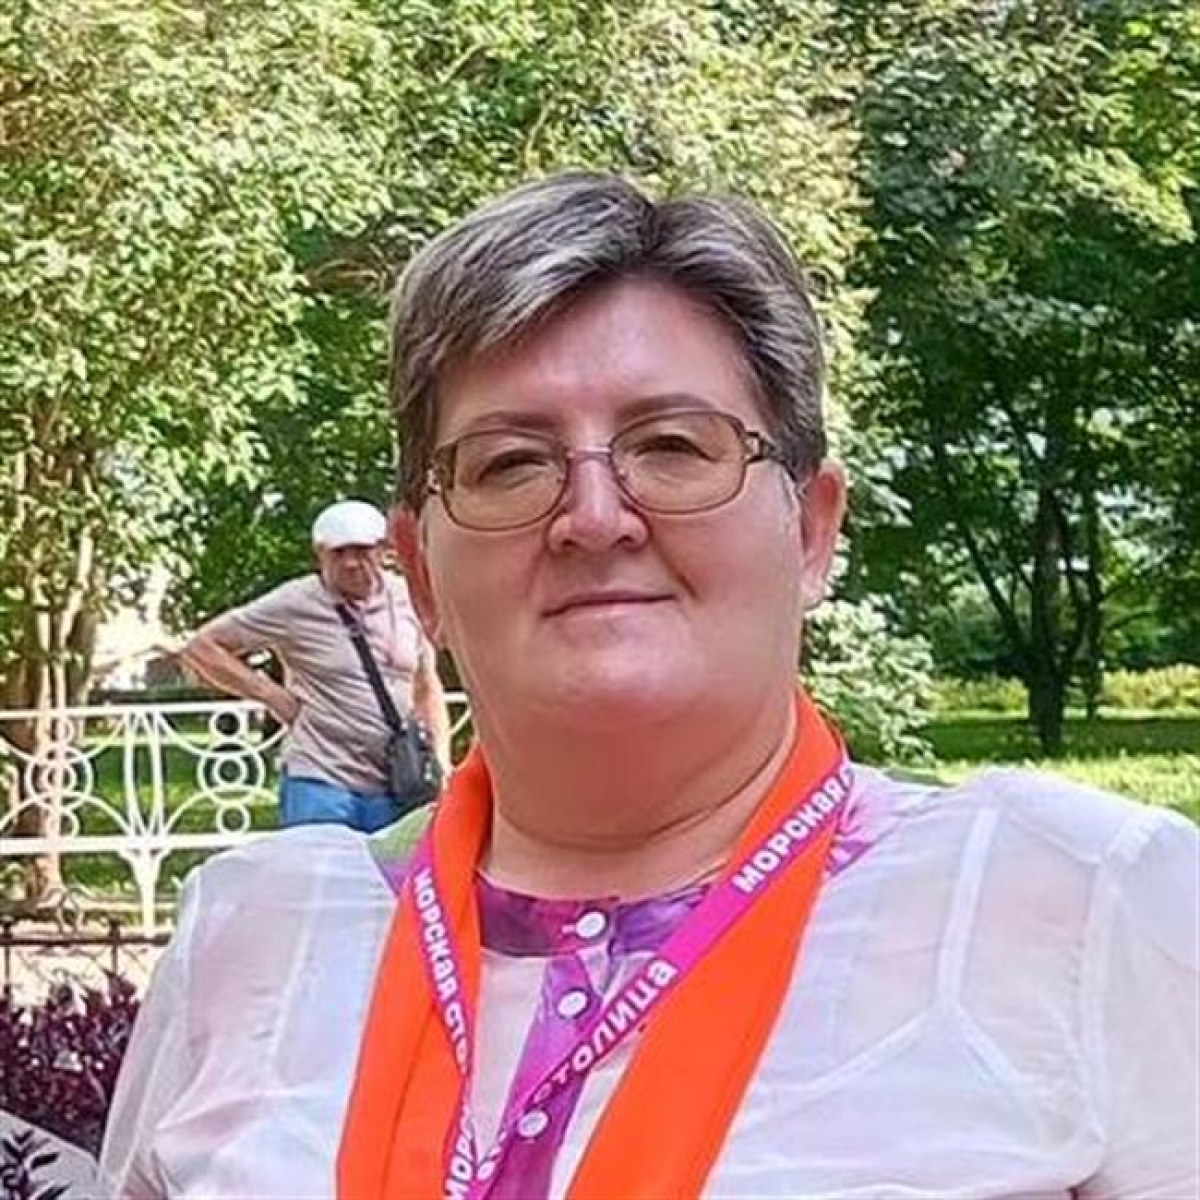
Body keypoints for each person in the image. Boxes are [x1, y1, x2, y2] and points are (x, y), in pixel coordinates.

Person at [100, 173, 1198, 1199]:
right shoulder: (257, 935)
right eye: (510, 463)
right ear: (422, 573)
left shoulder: (1077, 901)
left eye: (673, 446)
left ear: (811, 533)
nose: (593, 518)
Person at [180, 498, 451, 834]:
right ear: (319, 555)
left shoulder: (407, 598)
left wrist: (439, 760)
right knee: (318, 867)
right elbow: (202, 647)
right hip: (320, 779)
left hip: (396, 783)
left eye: (361, 550)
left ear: (383, 550)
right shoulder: (294, 603)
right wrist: (272, 696)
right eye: (338, 553)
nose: (350, 563)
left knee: (394, 869)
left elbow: (426, 688)